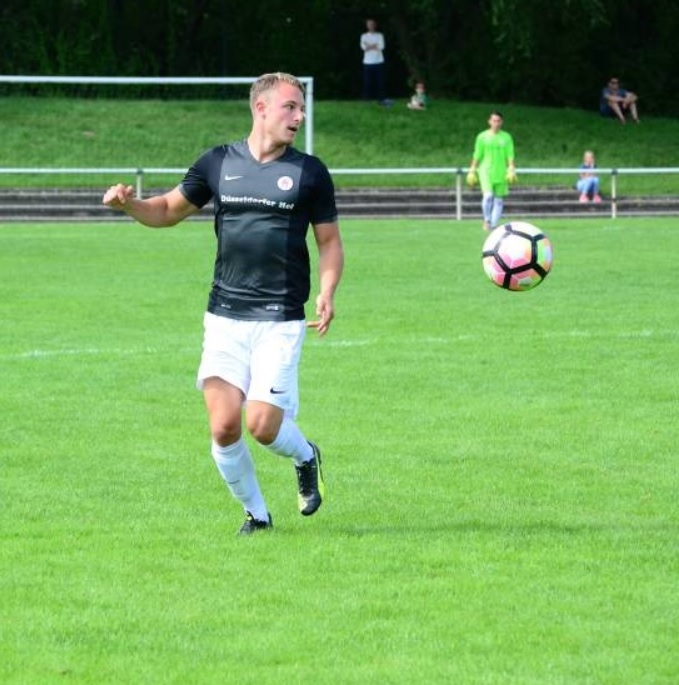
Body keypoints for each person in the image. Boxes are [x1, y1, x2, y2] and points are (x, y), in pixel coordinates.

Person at [102, 72, 345, 536]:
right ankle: (257, 515)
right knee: (224, 427)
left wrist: (327, 290)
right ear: (261, 108)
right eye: (291, 107)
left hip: (279, 317)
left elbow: (329, 242)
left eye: (301, 107)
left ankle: (305, 455)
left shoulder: (310, 173)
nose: (300, 115)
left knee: (263, 425)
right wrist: (130, 206)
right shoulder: (218, 162)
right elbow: (167, 210)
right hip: (224, 317)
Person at [466, 111, 517, 231]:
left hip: (501, 171)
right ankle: (486, 220)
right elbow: (477, 154)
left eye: (498, 121)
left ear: (502, 122)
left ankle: (493, 225)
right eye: (494, 121)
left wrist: (511, 169)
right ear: (489, 122)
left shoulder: (506, 137)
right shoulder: (482, 137)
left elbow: (510, 155)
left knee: (498, 200)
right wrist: (472, 170)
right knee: (488, 196)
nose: (496, 123)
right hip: (486, 171)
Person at [360, 18, 390, 105]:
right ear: (367, 26)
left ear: (375, 25)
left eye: (372, 24)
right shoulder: (364, 36)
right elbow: (363, 47)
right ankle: (366, 99)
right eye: (369, 24)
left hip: (379, 61)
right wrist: (374, 45)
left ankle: (381, 99)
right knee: (367, 82)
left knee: (380, 81)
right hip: (367, 62)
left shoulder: (379, 35)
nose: (371, 26)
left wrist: (369, 46)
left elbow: (381, 47)